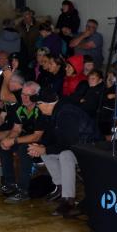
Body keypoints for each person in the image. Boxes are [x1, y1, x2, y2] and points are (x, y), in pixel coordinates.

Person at [27, 87, 101, 216]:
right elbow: (50, 139)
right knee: (46, 153)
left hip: (91, 149)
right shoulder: (54, 113)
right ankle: (61, 188)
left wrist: (44, 148)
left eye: (38, 104)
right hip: (77, 148)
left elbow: (69, 144)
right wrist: (39, 148)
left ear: (45, 104)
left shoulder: (66, 113)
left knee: (65, 155)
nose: (37, 107)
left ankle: (68, 200)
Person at [0, 82, 48, 203]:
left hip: (44, 142)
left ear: (36, 96)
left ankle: (23, 190)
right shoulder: (20, 108)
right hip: (28, 138)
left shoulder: (40, 109)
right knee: (2, 146)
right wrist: (8, 140)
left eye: (27, 95)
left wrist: (14, 140)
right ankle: (10, 184)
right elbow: (16, 129)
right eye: (22, 94)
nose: (23, 98)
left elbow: (37, 136)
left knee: (24, 149)